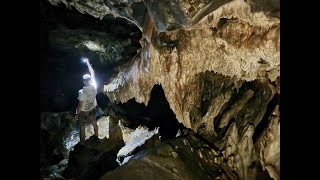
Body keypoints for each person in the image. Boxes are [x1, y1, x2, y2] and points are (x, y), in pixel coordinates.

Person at [75, 58, 99, 145]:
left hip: (84, 111)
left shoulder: (81, 92)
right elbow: (93, 74)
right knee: (94, 122)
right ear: (90, 81)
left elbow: (80, 105)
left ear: (84, 81)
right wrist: (88, 62)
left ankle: (82, 143)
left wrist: (77, 114)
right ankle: (96, 135)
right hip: (92, 108)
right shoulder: (94, 86)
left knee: (82, 127)